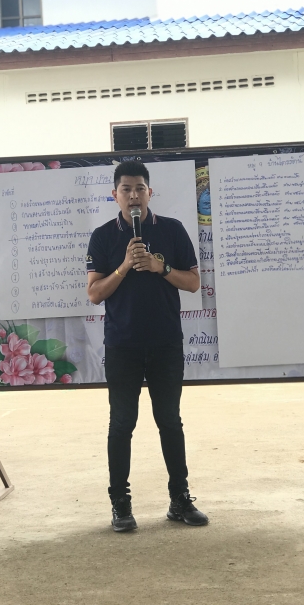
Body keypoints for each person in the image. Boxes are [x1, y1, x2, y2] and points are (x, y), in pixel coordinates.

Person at [86, 160, 209, 532]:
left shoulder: (172, 230)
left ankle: (180, 499)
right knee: (122, 423)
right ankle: (120, 504)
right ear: (115, 195)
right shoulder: (103, 236)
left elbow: (193, 283)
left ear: (150, 192)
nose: (133, 196)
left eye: (140, 188)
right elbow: (94, 293)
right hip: (122, 346)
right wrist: (124, 266)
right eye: (126, 189)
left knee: (169, 420)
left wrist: (161, 268)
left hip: (165, 343)